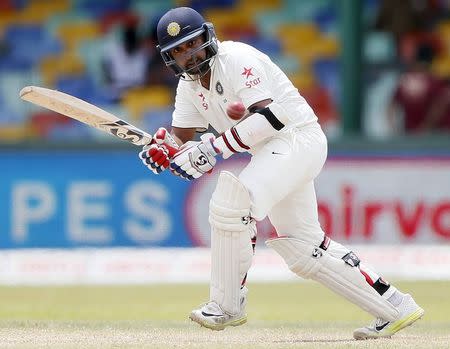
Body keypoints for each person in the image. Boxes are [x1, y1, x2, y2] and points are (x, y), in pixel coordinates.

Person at [139, 7, 424, 340]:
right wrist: (164, 150)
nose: (190, 53)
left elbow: (272, 118)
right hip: (273, 153)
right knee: (304, 248)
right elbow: (180, 139)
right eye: (180, 50)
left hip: (296, 138)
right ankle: (394, 306)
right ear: (170, 57)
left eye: (193, 43)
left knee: (233, 202)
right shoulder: (189, 88)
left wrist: (213, 149)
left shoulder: (237, 59)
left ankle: (226, 306)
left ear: (207, 37)